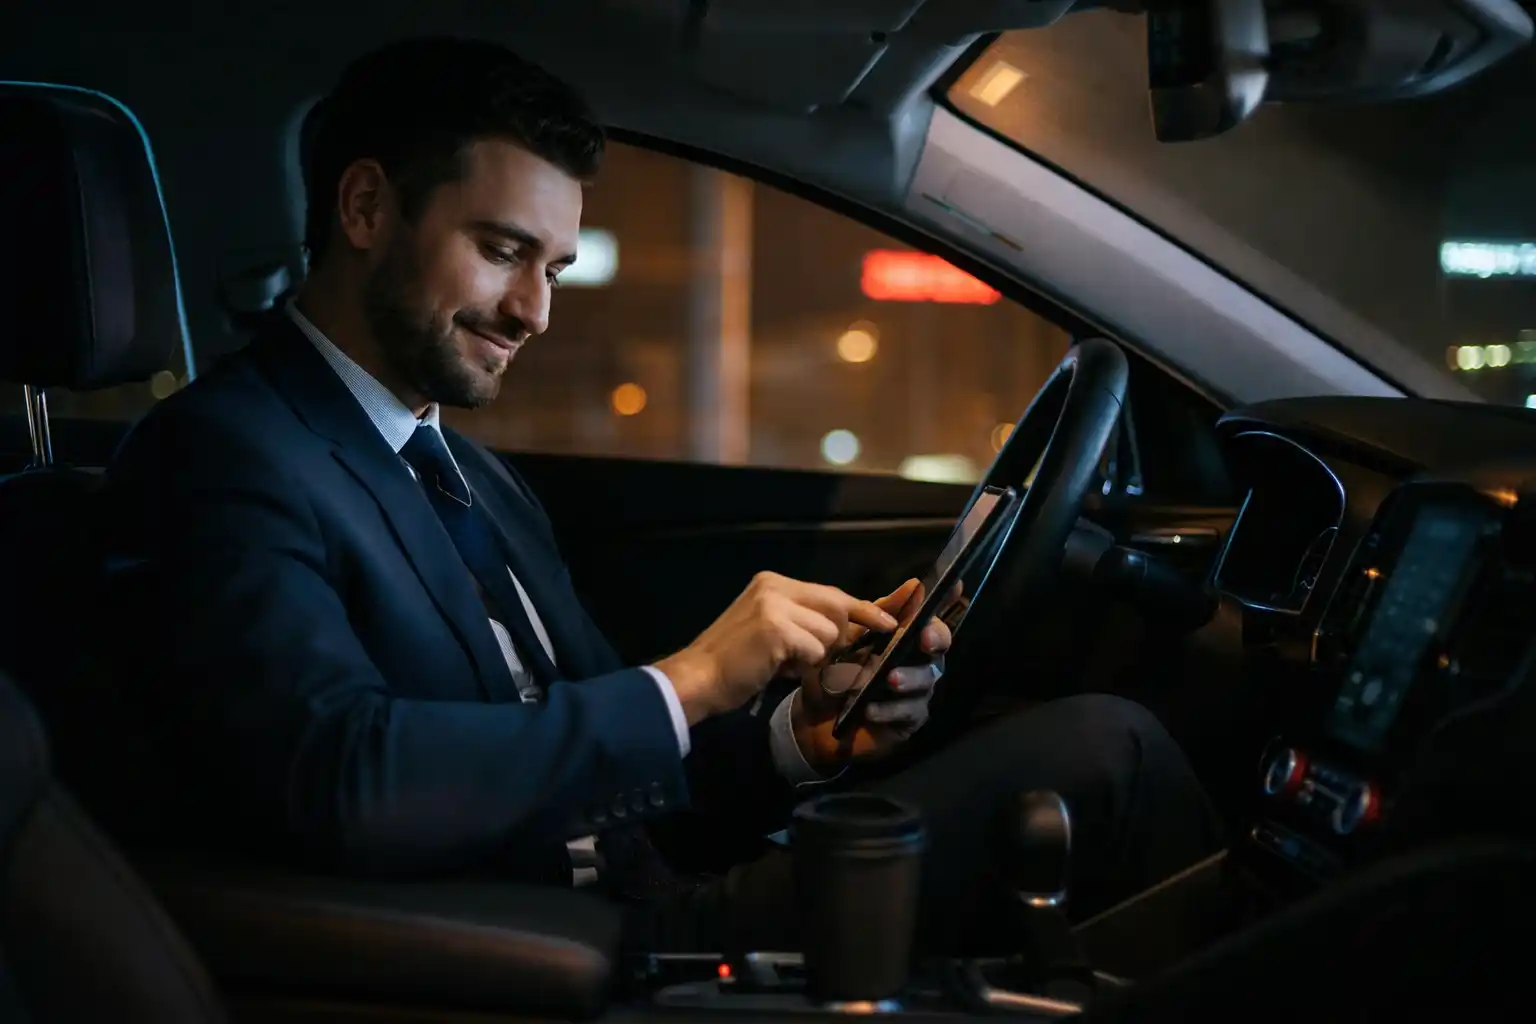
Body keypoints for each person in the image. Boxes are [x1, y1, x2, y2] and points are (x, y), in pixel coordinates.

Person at [97, 36, 1221, 954]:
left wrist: (795, 740)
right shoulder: (219, 457)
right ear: (362, 209)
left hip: (650, 904)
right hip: (547, 955)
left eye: (553, 267)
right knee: (1105, 756)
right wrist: (686, 681)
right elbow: (337, 775)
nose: (534, 310)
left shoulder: (464, 469)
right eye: (501, 250)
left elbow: (598, 746)